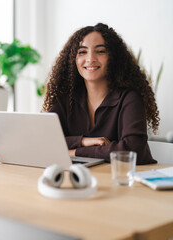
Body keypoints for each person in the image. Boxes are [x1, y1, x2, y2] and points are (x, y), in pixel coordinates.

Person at [42, 23, 159, 165]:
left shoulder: (129, 98)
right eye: (82, 52)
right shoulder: (66, 99)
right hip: (83, 178)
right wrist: (83, 141)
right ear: (73, 59)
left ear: (113, 57)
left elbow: (133, 150)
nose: (90, 59)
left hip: (129, 181)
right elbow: (44, 139)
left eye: (100, 51)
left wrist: (75, 152)